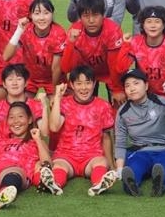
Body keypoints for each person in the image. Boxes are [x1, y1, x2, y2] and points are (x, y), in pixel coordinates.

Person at [120, 6, 165, 155]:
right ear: (142, 25)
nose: (152, 25)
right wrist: (125, 45)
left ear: (164, 25)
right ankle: (141, 145)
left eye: (157, 21)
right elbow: (121, 67)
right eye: (148, 21)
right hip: (146, 90)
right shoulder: (136, 42)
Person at [115, 69, 165, 197]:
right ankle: (130, 185)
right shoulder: (123, 112)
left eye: (136, 83)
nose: (132, 88)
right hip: (140, 152)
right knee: (134, 168)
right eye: (127, 86)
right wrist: (120, 168)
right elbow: (120, 143)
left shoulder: (161, 102)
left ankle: (160, 184)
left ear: (146, 85)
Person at [48, 66, 117, 197]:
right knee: (59, 166)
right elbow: (54, 127)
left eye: (87, 83)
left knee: (101, 163)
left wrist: (111, 165)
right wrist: (57, 97)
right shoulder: (64, 103)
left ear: (94, 84)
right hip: (66, 154)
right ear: (72, 85)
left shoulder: (103, 106)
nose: (84, 88)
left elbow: (107, 137)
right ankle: (55, 184)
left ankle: (98, 184)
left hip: (92, 155)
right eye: (79, 84)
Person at [60, 0, 127, 106]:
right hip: (86, 73)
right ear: (80, 17)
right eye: (86, 16)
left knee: (119, 102)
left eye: (95, 15)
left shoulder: (112, 30)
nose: (91, 20)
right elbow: (66, 68)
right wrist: (70, 43)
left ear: (103, 15)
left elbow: (114, 64)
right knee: (81, 104)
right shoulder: (75, 31)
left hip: (109, 72)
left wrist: (117, 89)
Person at [3, 0, 66, 95]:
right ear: (30, 15)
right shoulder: (26, 30)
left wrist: (55, 92)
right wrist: (19, 30)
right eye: (37, 13)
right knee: (22, 107)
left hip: (52, 78)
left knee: (57, 106)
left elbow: (56, 68)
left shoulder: (59, 33)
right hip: (30, 78)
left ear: (52, 14)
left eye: (46, 13)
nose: (41, 18)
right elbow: (6, 56)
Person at [0, 64, 48, 144]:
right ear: (4, 84)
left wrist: (44, 107)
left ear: (26, 83)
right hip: (3, 153)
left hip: (30, 152)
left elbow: (45, 132)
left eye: (19, 79)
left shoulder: (35, 105)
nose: (14, 83)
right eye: (10, 79)